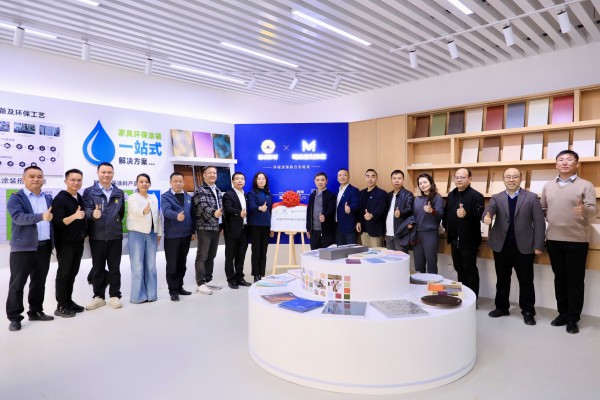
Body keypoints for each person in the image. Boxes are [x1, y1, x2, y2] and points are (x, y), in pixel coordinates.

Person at [541, 150, 596, 334]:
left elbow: (592, 211)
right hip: (553, 240)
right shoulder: (548, 186)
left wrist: (584, 210)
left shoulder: (586, 185)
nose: (565, 162)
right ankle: (562, 313)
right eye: (561, 160)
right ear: (556, 164)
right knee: (559, 279)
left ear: (576, 164)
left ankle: (573, 318)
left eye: (569, 159)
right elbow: (543, 208)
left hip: (577, 241)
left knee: (575, 281)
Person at [483, 168, 545, 325]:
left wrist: (538, 244)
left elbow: (539, 223)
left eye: (515, 177)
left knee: (526, 281)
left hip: (524, 246)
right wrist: (486, 217)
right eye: (508, 177)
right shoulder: (497, 197)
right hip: (501, 246)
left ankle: (528, 311)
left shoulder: (531, 197)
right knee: (502, 279)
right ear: (503, 179)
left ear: (521, 179)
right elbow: (489, 210)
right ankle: (501, 307)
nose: (511, 180)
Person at [6, 166, 54, 332]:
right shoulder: (16, 198)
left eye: (39, 176)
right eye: (32, 176)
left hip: (43, 247)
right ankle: (14, 317)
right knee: (17, 284)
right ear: (23, 178)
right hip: (23, 248)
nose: (36, 179)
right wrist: (41, 216)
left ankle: (35, 311)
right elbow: (18, 218)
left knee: (39, 282)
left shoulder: (47, 198)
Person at [83, 162, 126, 310]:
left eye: (109, 172)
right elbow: (86, 210)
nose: (106, 175)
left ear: (113, 173)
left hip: (115, 235)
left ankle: (115, 295)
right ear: (98, 173)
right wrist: (92, 214)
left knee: (115, 268)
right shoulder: (89, 191)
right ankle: (99, 297)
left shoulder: (119, 192)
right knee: (98, 268)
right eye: (103, 172)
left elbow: (121, 213)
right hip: (97, 235)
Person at [443, 168, 484, 298]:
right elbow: (446, 213)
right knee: (459, 269)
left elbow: (479, 216)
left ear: (470, 179)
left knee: (470, 270)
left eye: (463, 177)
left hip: (469, 241)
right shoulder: (451, 194)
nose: (459, 180)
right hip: (454, 239)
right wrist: (446, 227)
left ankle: (473, 299)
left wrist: (466, 214)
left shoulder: (477, 196)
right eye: (457, 177)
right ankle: (463, 297)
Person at [51, 168, 87, 318]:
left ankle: (68, 301)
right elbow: (58, 222)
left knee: (72, 273)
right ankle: (61, 305)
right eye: (73, 180)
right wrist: (74, 216)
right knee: (64, 274)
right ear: (66, 181)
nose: (76, 182)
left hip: (78, 242)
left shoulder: (79, 197)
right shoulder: (60, 199)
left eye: (79, 180)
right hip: (65, 243)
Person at [126, 173, 163, 304]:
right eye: (141, 181)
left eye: (146, 181)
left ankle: (152, 294)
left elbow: (158, 216)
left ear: (150, 184)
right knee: (137, 266)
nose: (144, 184)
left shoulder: (153, 197)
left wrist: (159, 233)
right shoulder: (132, 197)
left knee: (151, 266)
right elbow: (135, 211)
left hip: (152, 234)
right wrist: (144, 211)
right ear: (137, 184)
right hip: (136, 234)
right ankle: (138, 296)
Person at [161, 172, 195, 302]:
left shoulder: (188, 196)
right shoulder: (165, 196)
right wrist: (177, 216)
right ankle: (173, 290)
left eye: (180, 181)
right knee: (172, 265)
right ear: (170, 182)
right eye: (175, 181)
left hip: (186, 234)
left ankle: (180, 287)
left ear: (183, 182)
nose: (178, 183)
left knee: (182, 264)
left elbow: (192, 214)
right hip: (172, 236)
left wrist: (193, 231)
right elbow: (166, 211)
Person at [192, 166, 224, 295]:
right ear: (204, 175)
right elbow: (202, 206)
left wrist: (222, 224)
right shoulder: (200, 190)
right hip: (204, 227)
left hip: (216, 227)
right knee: (202, 256)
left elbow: (221, 209)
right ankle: (200, 283)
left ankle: (208, 279)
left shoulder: (218, 190)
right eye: (209, 173)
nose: (212, 175)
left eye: (214, 173)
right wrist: (214, 213)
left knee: (211, 255)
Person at [222, 172, 252, 289]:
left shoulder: (246, 195)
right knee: (230, 256)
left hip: (244, 229)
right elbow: (227, 208)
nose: (240, 181)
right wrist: (239, 213)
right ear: (233, 181)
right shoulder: (228, 194)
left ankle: (240, 277)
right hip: (232, 230)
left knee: (241, 255)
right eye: (237, 179)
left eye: (242, 179)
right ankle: (231, 279)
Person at [412, 173, 444, 274]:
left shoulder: (437, 197)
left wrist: (432, 211)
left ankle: (432, 284)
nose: (422, 185)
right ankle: (419, 284)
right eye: (420, 183)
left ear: (431, 183)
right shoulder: (417, 199)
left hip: (430, 234)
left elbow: (440, 215)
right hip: (417, 234)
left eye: (425, 182)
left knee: (431, 263)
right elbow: (413, 215)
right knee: (418, 264)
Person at [247, 172, 273, 282]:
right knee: (256, 251)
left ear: (266, 181)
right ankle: (255, 275)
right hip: (255, 226)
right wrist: (260, 208)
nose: (261, 181)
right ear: (256, 181)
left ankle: (262, 274)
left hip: (266, 225)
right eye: (259, 179)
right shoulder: (252, 193)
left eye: (263, 179)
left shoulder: (269, 194)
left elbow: (270, 211)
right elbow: (252, 206)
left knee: (263, 251)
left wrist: (272, 227)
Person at [355, 169, 387, 248]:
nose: (370, 179)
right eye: (367, 176)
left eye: (373, 176)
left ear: (376, 178)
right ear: (365, 178)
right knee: (365, 254)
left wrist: (372, 215)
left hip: (375, 231)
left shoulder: (382, 193)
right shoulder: (361, 193)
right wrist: (358, 221)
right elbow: (359, 210)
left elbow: (381, 209)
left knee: (376, 253)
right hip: (363, 230)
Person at [384, 169, 415, 252]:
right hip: (388, 233)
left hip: (401, 234)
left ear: (403, 180)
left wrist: (401, 213)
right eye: (394, 178)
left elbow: (410, 209)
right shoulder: (388, 195)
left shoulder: (408, 194)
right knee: (389, 258)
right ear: (391, 180)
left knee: (402, 258)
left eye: (399, 178)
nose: (396, 180)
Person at [306, 172, 336, 250]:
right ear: (314, 181)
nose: (320, 182)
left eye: (322, 180)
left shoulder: (331, 195)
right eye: (318, 180)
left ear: (326, 181)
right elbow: (309, 213)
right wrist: (308, 229)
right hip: (314, 231)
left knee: (327, 254)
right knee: (314, 253)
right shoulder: (312, 195)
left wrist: (324, 216)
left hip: (326, 231)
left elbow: (331, 209)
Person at [335, 168, 360, 245]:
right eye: (340, 175)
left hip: (349, 227)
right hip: (338, 227)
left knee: (351, 250)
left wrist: (350, 208)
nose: (342, 177)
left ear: (349, 177)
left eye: (345, 175)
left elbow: (356, 204)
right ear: (337, 178)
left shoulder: (354, 190)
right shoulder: (338, 191)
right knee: (340, 250)